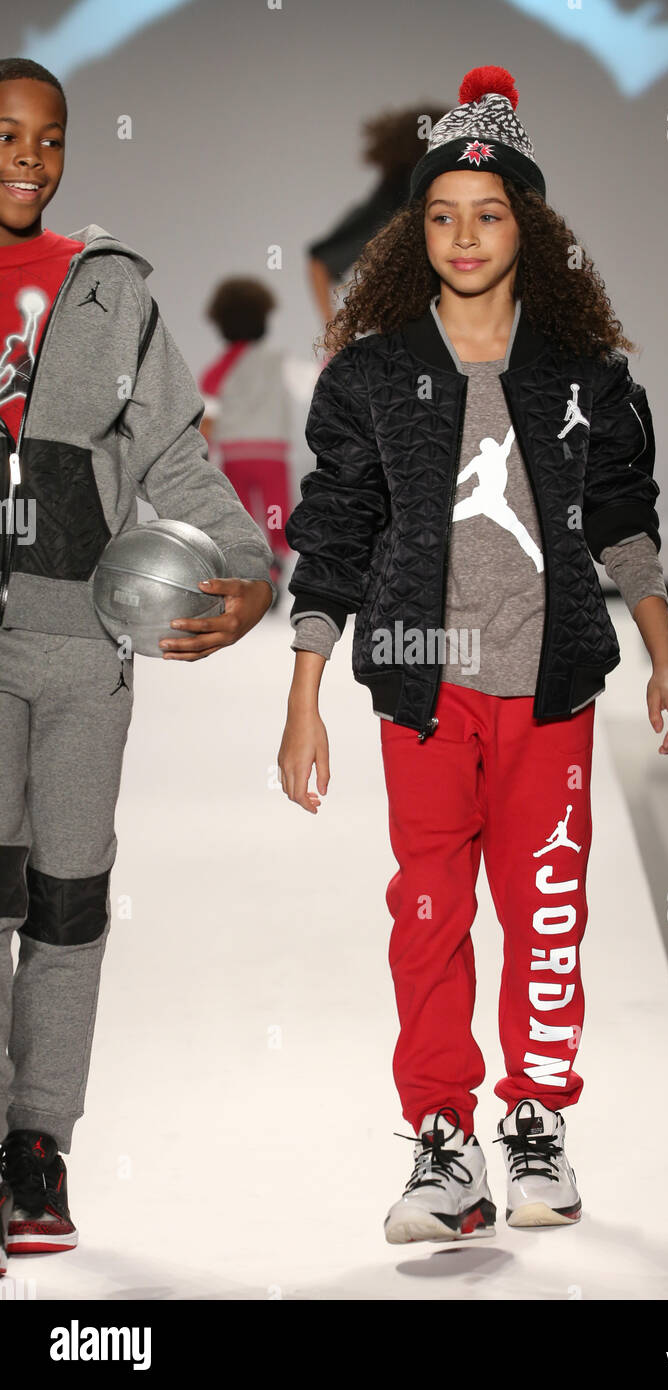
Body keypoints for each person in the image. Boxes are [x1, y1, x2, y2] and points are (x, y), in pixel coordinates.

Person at [278, 65, 668, 1245]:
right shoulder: (366, 377)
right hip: (422, 686)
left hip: (551, 683)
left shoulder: (587, 378)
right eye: (441, 215)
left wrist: (662, 660)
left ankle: (534, 1120)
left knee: (542, 912)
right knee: (426, 915)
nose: (464, 236)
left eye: (490, 212)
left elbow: (625, 516)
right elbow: (334, 534)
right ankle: (440, 1140)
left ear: (531, 225)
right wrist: (305, 694)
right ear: (415, 233)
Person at [0, 57, 274, 1271]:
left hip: (82, 653)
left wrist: (250, 570)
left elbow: (176, 459)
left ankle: (36, 1143)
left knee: (67, 903)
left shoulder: (110, 293)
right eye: (8, 134)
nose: (31, 158)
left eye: (50, 139)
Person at [200, 277, 312, 603]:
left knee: (243, 514)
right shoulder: (280, 361)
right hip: (272, 455)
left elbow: (207, 420)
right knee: (277, 510)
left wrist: (201, 456)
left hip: (235, 456)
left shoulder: (217, 370)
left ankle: (249, 568)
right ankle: (276, 561)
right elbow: (315, 381)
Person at [307, 103, 445, 330]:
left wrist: (332, 336)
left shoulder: (396, 195)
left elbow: (320, 262)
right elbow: (320, 261)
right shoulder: (398, 195)